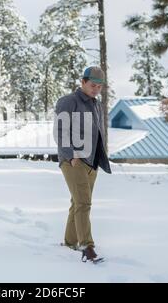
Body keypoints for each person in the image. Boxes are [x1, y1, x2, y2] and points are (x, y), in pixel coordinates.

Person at [53, 66, 112, 263]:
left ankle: (70, 242)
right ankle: (87, 246)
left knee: (77, 203)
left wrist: (99, 159)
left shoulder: (97, 104)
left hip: (91, 162)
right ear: (83, 82)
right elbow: (60, 131)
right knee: (84, 203)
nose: (96, 89)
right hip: (74, 161)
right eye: (93, 85)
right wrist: (71, 155)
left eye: (99, 87)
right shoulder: (69, 101)